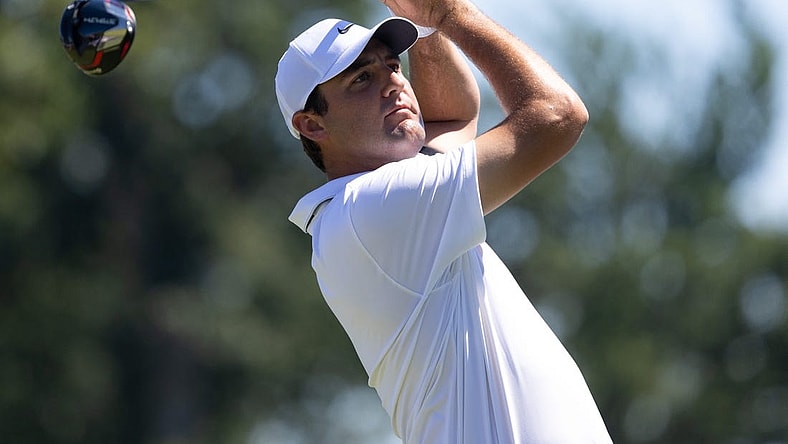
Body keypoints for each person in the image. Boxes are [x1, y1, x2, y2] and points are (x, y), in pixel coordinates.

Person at [275, 0, 613, 441]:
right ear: (313, 125)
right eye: (362, 79)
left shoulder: (373, 204)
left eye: (393, 65)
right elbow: (557, 115)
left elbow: (452, 116)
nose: (395, 84)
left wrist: (423, 22)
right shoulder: (374, 208)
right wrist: (450, 15)